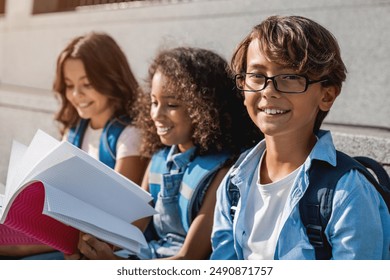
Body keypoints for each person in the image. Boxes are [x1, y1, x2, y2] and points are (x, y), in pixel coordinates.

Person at [210, 15, 390, 260]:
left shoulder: (347, 193)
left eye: (291, 77)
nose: (268, 90)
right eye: (256, 75)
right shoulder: (234, 182)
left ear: (327, 95)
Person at [66, 47, 263, 260]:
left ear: (205, 107)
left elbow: (189, 257)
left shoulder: (223, 170)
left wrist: (115, 266)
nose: (157, 115)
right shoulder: (159, 159)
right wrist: (90, 248)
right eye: (153, 102)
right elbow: (132, 227)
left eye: (171, 105)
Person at [0, 32, 148, 259]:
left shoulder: (129, 136)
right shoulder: (75, 130)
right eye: (69, 85)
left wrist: (24, 247)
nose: (76, 95)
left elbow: (119, 223)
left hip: (95, 248)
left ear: (111, 80)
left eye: (87, 84)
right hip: (60, 235)